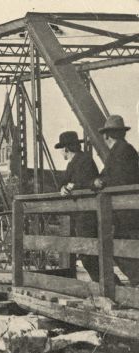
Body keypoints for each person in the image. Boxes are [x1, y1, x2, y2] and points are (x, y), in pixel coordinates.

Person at [93, 115, 139, 286]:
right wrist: (99, 180)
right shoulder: (124, 150)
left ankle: (136, 281)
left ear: (106, 135)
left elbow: (118, 178)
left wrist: (100, 182)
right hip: (127, 209)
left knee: (116, 247)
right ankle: (136, 281)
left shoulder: (122, 151)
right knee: (122, 248)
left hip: (126, 210)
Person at [55, 131, 100, 281]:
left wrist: (73, 186)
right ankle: (110, 286)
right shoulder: (73, 163)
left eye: (62, 149)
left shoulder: (84, 160)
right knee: (86, 253)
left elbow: (88, 183)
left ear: (66, 149)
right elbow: (63, 182)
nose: (62, 153)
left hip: (87, 214)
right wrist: (63, 187)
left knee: (87, 254)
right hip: (79, 214)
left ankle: (113, 287)